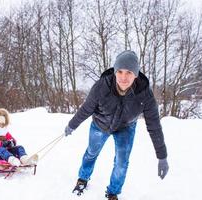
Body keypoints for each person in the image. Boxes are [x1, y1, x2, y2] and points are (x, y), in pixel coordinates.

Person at [64, 50, 169, 200]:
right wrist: (72, 125)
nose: (123, 77)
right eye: (119, 71)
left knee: (121, 162)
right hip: (100, 124)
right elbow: (86, 109)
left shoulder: (145, 94)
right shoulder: (101, 87)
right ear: (114, 71)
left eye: (129, 72)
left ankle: (113, 192)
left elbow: (154, 126)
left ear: (136, 74)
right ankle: (83, 178)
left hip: (126, 128)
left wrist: (162, 156)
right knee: (91, 153)